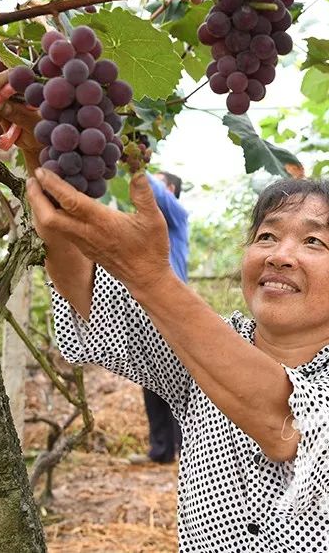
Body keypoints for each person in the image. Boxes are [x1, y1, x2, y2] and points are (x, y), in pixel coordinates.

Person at [0, 78, 329, 551]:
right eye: (267, 237)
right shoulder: (204, 347)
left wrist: (151, 277)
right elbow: (87, 290)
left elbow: (286, 427)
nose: (279, 255)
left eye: (313, 241)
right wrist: (43, 153)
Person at [137, 170, 188, 465]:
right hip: (149, 310)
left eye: (158, 181)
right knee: (151, 380)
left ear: (170, 189)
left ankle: (183, 450)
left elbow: (149, 188)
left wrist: (132, 162)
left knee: (173, 381)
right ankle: (161, 451)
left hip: (173, 310)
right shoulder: (146, 228)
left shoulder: (177, 215)